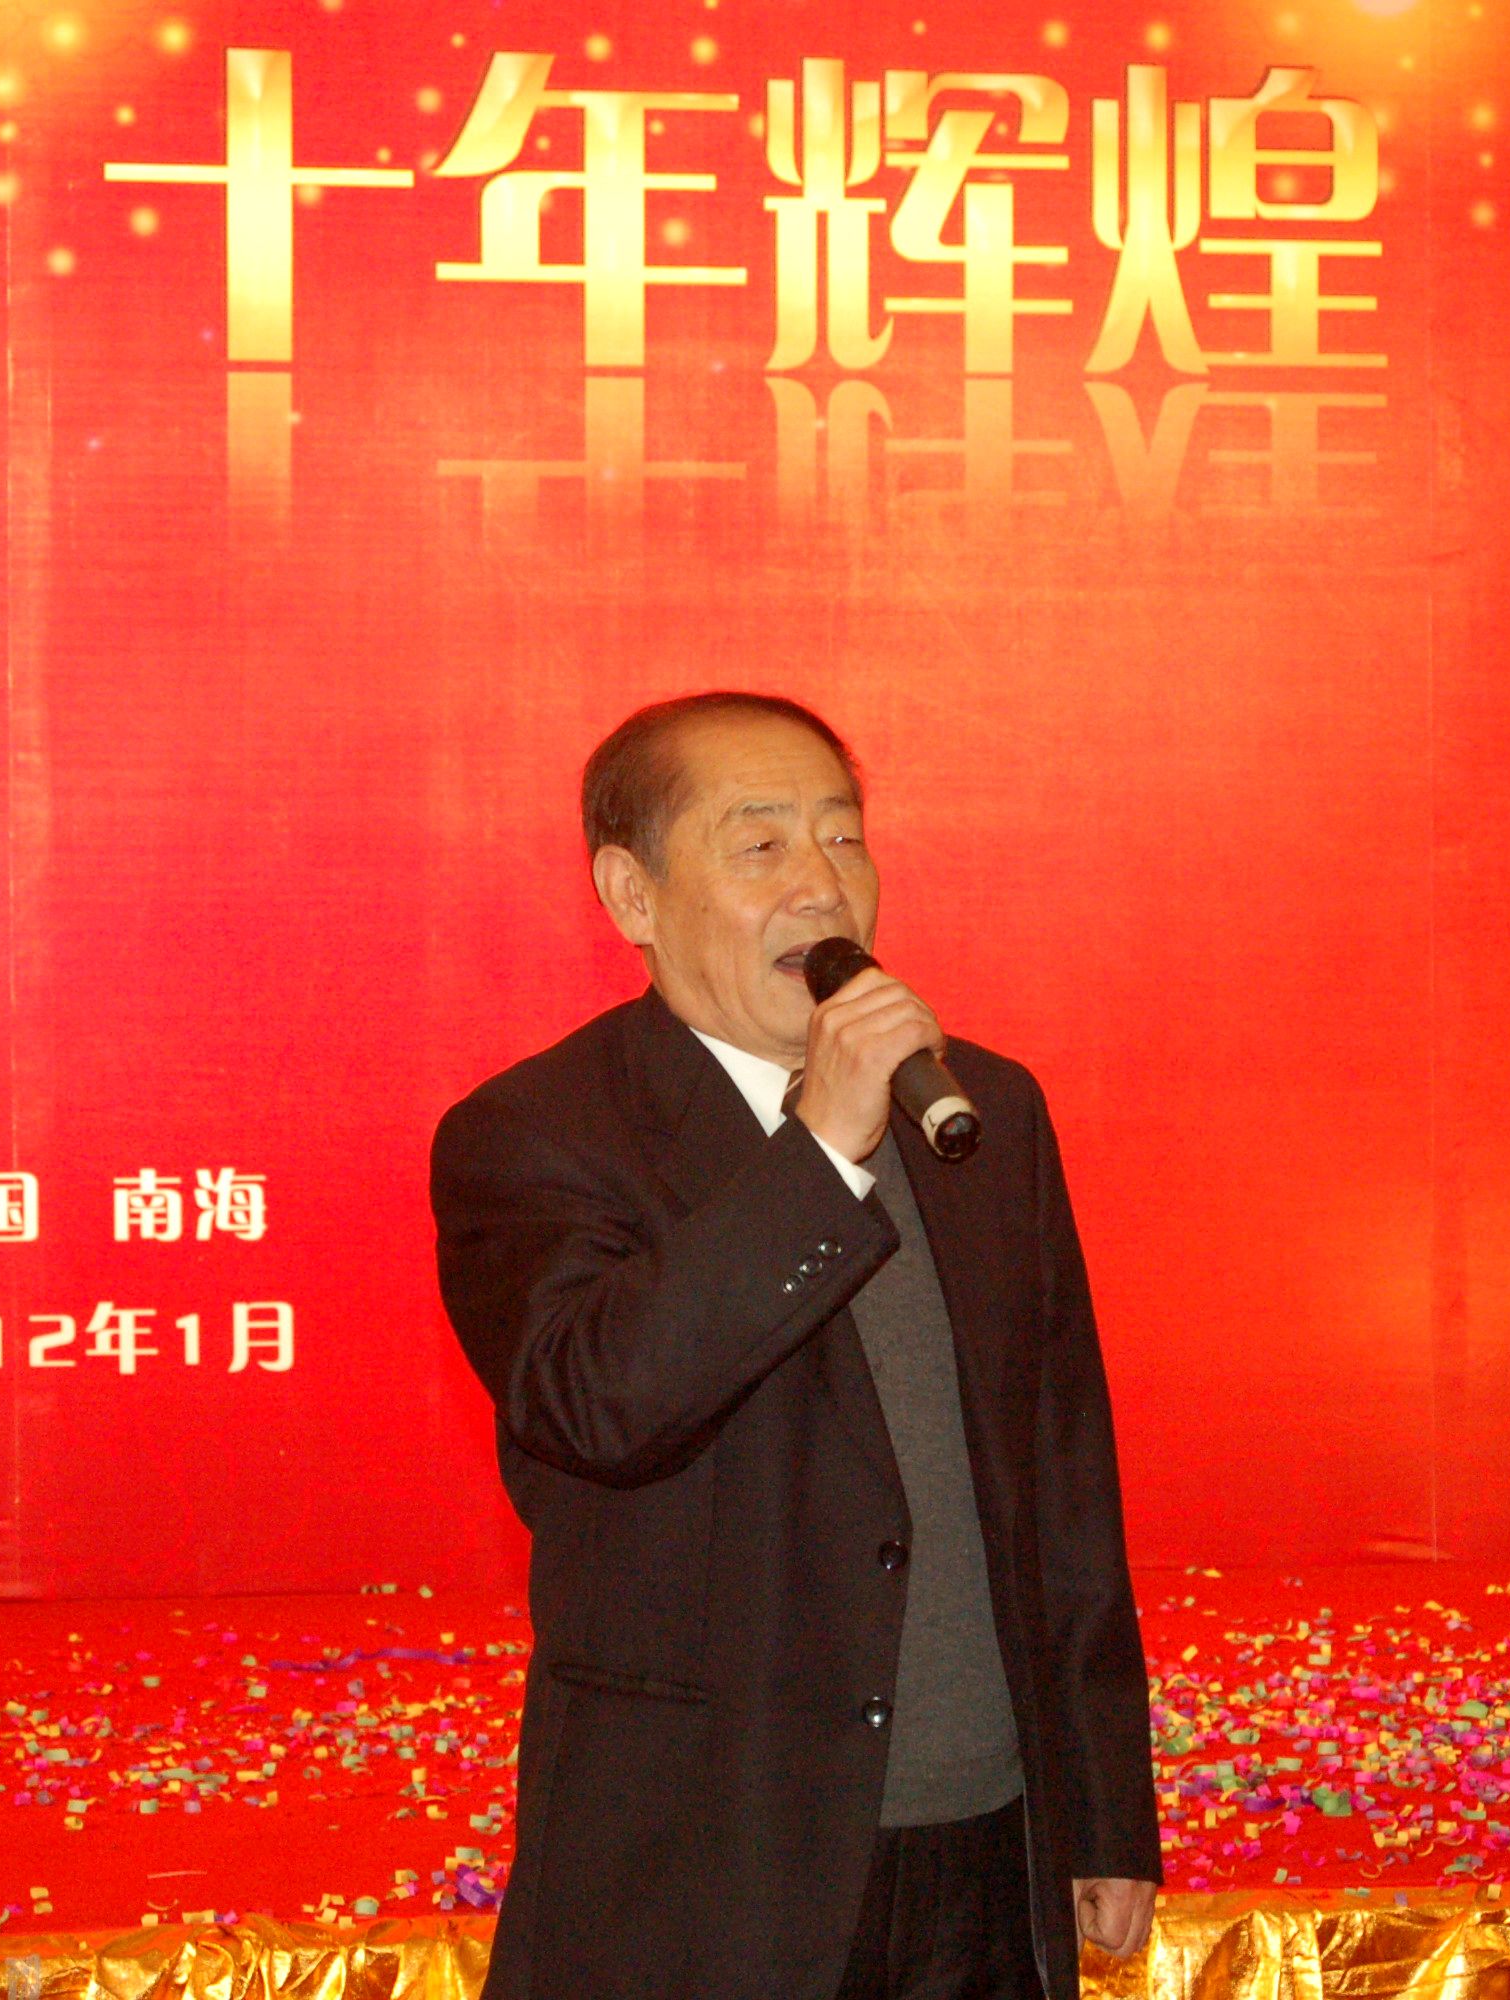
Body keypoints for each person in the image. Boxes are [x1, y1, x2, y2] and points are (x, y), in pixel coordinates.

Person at [430, 692, 1161, 1999]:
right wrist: (822, 1148)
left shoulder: (981, 1110)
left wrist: (1101, 1804)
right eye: (761, 845)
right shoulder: (537, 1135)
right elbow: (598, 1400)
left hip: (987, 1840)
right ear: (633, 894)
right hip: (708, 1864)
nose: (822, 886)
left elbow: (1062, 1478)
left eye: (843, 836)